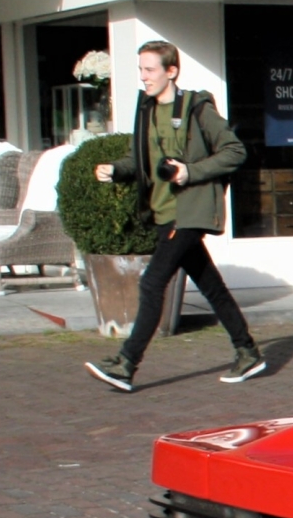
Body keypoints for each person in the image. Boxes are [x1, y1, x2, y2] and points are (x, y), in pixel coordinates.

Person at [84, 41, 267, 391]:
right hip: (163, 213)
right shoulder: (146, 111)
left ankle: (126, 363)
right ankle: (248, 352)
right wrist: (116, 169)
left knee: (152, 282)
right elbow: (138, 160)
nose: (144, 77)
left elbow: (234, 151)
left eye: (149, 70)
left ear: (171, 71)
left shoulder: (198, 109)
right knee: (210, 285)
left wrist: (189, 172)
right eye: (140, 70)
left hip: (189, 211)